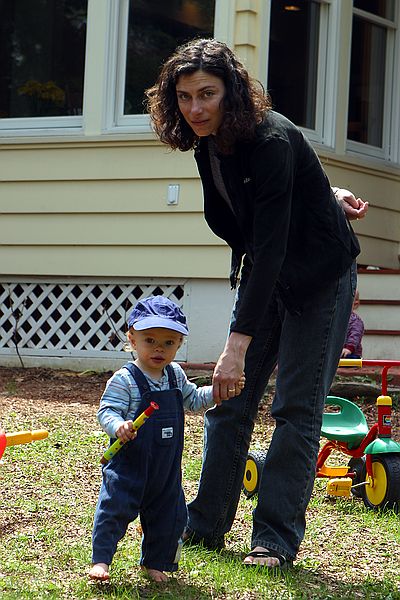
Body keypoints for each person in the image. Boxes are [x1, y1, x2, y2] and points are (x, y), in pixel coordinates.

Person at [145, 38, 369, 570]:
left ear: (233, 94)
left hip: (317, 277)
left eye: (207, 94)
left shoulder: (268, 137)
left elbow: (269, 243)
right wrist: (324, 193)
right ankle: (205, 527)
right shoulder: (209, 144)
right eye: (184, 97)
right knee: (229, 400)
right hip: (268, 275)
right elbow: (255, 223)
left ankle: (274, 540)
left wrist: (236, 344)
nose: (195, 108)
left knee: (295, 407)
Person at [89, 295, 244, 583]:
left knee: (169, 516)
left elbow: (195, 399)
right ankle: (102, 560)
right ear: (132, 339)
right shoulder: (125, 379)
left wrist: (220, 393)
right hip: (129, 466)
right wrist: (118, 426)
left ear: (178, 344)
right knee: (115, 509)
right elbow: (107, 411)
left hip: (164, 468)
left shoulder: (174, 375)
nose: (159, 348)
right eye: (150, 340)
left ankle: (156, 562)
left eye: (169, 342)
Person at [341, 289, 364, 359]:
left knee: (351, 358)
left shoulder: (355, 320)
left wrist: (349, 348)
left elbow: (355, 335)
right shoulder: (335, 320)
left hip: (351, 352)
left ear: (355, 304)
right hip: (336, 353)